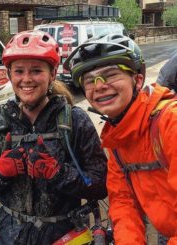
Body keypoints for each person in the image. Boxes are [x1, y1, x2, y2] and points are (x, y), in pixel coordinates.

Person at [0, 30, 107, 245]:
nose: (27, 79)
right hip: (9, 234)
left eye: (36, 70)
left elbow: (100, 185)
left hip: (64, 233)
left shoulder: (75, 121)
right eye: (19, 71)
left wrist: (59, 173)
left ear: (52, 73)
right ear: (10, 75)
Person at [64, 33, 177, 244]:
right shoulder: (117, 138)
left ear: (138, 80)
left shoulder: (170, 123)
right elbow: (123, 202)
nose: (99, 86)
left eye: (111, 74)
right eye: (89, 80)